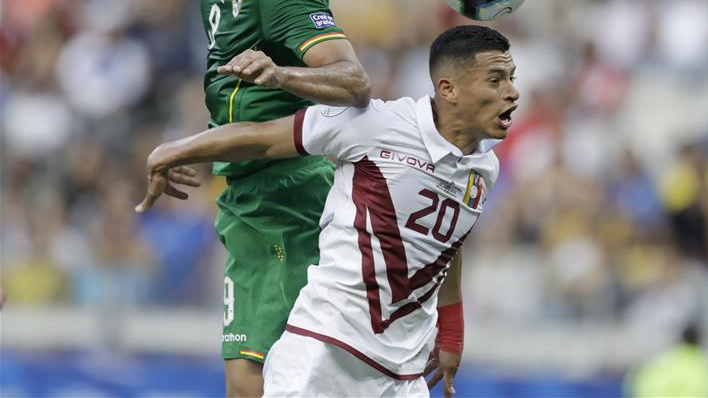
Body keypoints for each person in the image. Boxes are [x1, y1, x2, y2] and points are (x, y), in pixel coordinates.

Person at [138, 25, 520, 397]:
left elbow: (447, 244)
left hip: (403, 376)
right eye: (496, 80)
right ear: (448, 89)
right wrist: (172, 152)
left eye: (511, 79)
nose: (512, 93)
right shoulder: (377, 124)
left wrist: (451, 330)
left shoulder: (485, 170)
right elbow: (263, 140)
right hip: (325, 354)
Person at [169, 0, 370, 397]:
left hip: (286, 199)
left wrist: (282, 72)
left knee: (251, 382)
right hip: (246, 190)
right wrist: (207, 142)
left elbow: (354, 80)